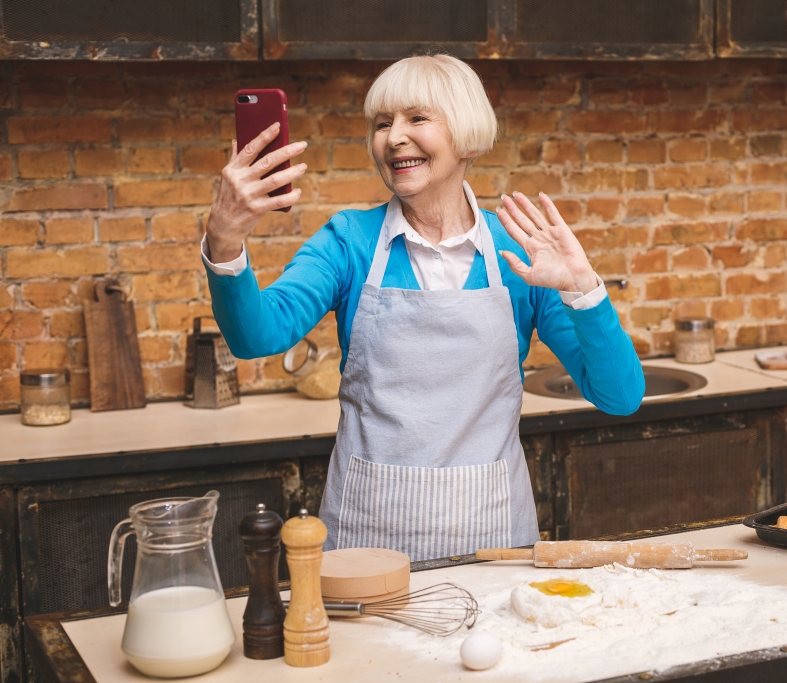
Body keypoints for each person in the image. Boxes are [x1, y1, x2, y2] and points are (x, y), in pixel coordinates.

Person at [202, 54, 644, 561]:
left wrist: (582, 288)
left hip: (493, 539)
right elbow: (256, 337)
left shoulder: (521, 255)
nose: (393, 138)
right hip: (368, 542)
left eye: (417, 118)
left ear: (468, 136)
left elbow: (621, 396)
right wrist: (224, 241)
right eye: (382, 123)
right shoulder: (349, 241)